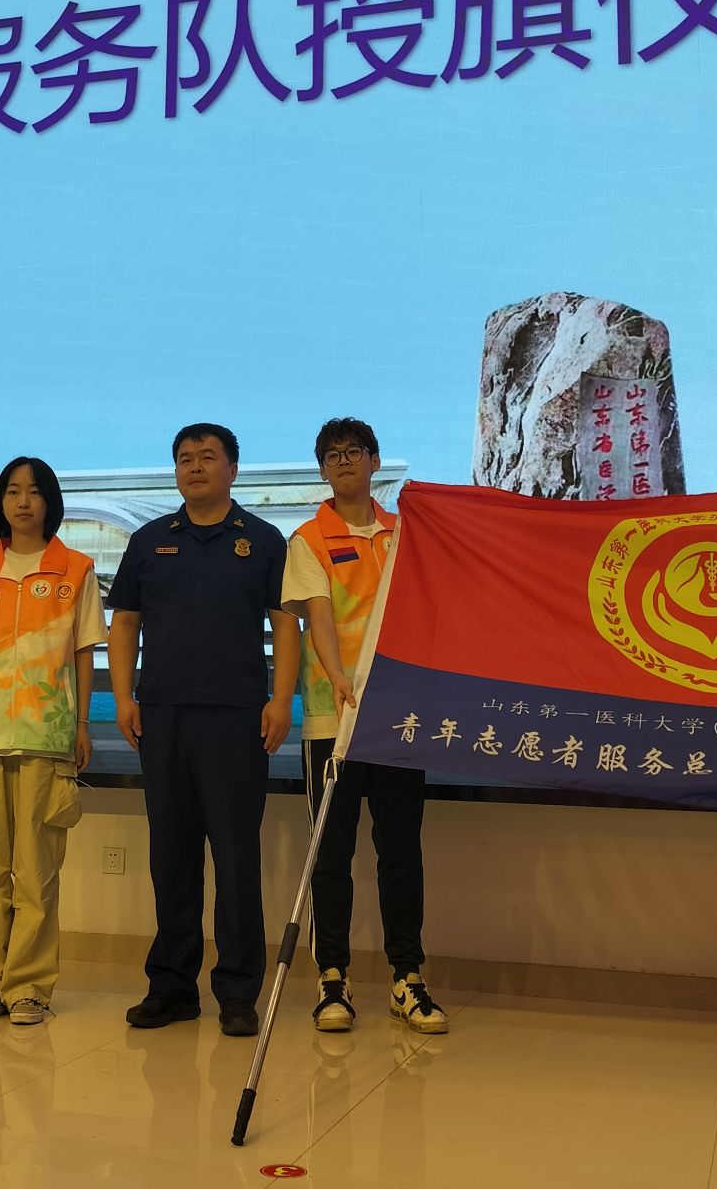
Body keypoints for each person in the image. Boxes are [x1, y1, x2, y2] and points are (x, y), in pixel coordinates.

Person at [108, 423, 299, 1036]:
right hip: (162, 716)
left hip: (237, 718)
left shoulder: (263, 540)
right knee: (172, 855)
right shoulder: (148, 541)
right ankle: (171, 986)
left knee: (237, 857)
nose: (195, 467)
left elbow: (285, 623)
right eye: (185, 459)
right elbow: (124, 622)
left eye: (207, 457)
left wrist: (281, 701)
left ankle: (238, 991)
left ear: (232, 469)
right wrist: (123, 697)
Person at [283, 417, 448, 1035]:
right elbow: (318, 616)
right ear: (322, 469)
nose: (344, 461)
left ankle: (408, 978)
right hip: (334, 720)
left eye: (354, 451)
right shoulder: (308, 540)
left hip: (398, 721)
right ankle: (333, 979)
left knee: (400, 852)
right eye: (332, 455)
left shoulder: (405, 535)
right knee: (330, 855)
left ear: (375, 461)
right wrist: (338, 677)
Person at [0, 457, 105, 1026]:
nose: (23, 501)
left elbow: (84, 655)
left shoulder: (76, 570)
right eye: (12, 491)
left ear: (49, 501)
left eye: (34, 492)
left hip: (46, 737)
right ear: (0, 501)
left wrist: (82, 724)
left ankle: (29, 987)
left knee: (36, 872)